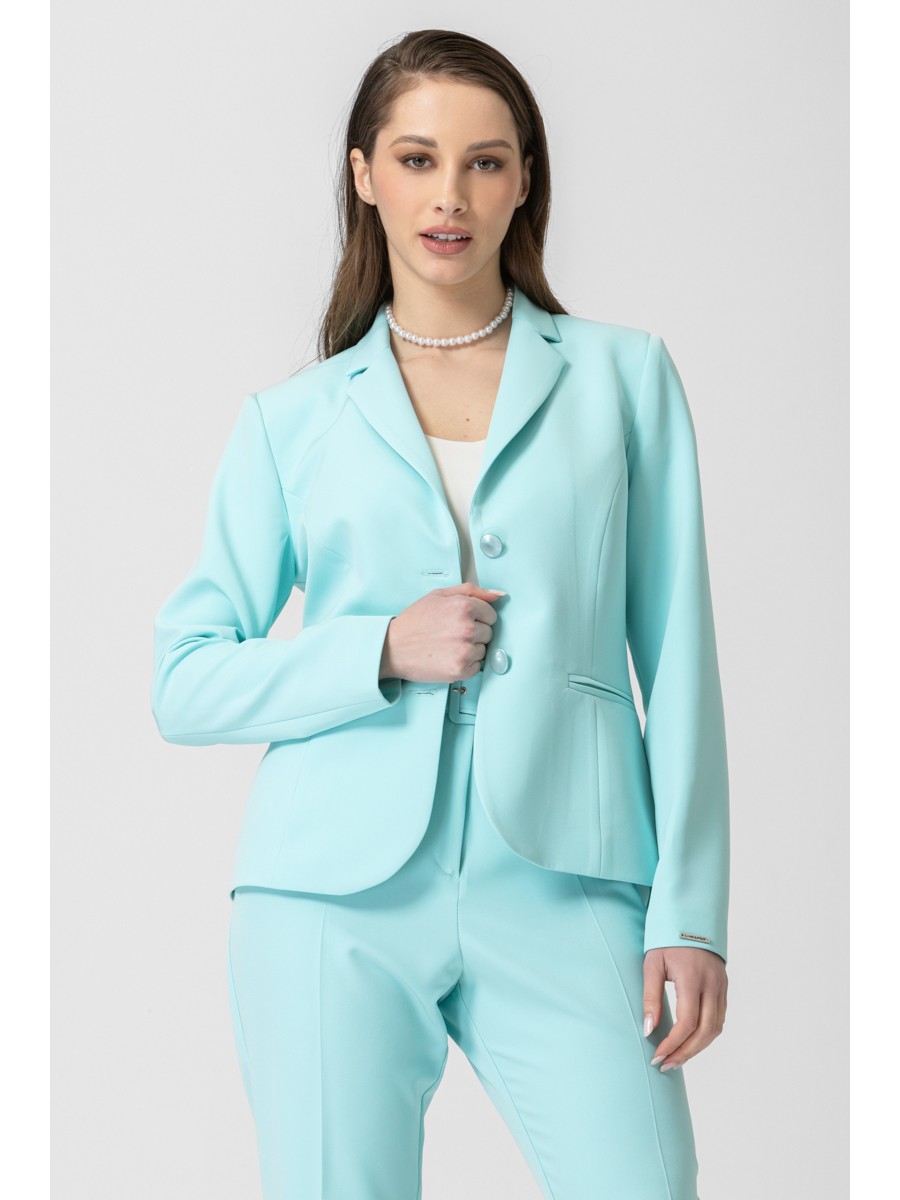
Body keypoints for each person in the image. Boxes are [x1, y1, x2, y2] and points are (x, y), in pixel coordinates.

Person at [152, 27, 730, 1200]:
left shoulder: (624, 378)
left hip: (571, 877)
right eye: (417, 159)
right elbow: (184, 679)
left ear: (524, 180)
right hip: (329, 898)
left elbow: (680, 657)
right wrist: (377, 649)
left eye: (484, 161)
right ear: (365, 174)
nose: (450, 196)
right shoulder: (292, 421)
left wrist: (692, 909)